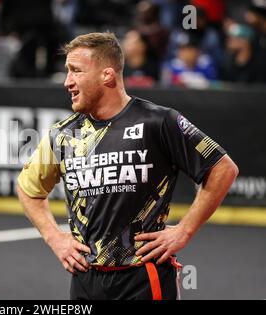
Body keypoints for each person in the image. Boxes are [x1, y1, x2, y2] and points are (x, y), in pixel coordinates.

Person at [16, 32, 238, 300]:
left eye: (76, 71)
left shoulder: (158, 122)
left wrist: (184, 230)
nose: (67, 82)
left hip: (144, 278)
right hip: (86, 279)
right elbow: (28, 189)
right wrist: (55, 238)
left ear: (107, 75)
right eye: (67, 72)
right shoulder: (62, 134)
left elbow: (223, 169)